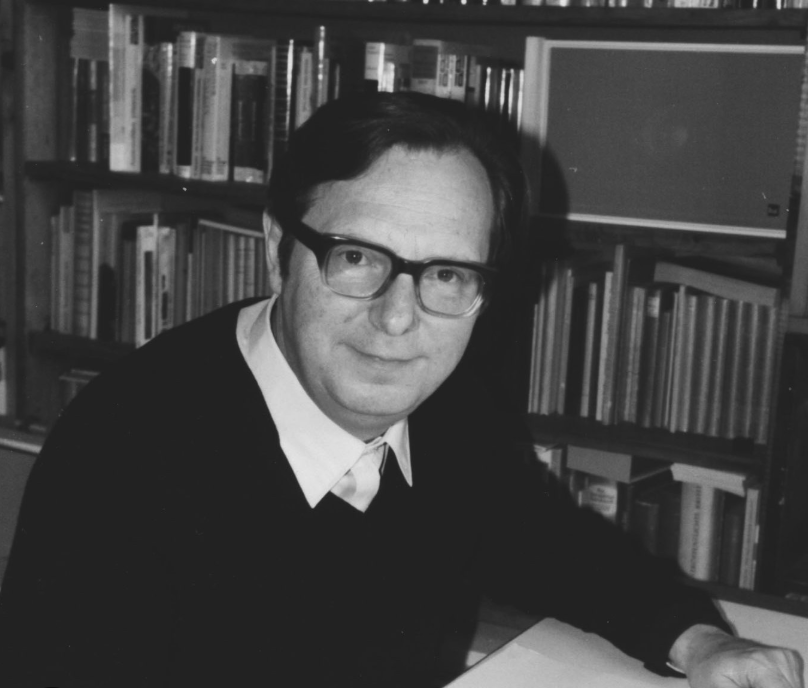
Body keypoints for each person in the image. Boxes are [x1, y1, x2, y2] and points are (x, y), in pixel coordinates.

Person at [0, 91, 802, 688]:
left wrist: (699, 642)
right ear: (279, 243)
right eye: (357, 258)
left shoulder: (447, 402)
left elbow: (545, 541)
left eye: (447, 274)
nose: (397, 319)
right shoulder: (124, 457)